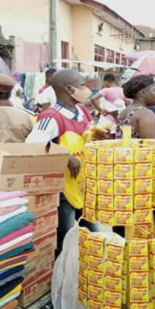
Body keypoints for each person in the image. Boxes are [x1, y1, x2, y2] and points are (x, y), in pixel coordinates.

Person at [26, 69, 100, 256]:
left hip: (83, 184)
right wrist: (65, 156)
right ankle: (61, 278)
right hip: (63, 189)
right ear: (69, 89)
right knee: (65, 239)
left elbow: (88, 133)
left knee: (93, 236)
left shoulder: (82, 111)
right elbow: (32, 146)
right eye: (82, 85)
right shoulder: (51, 117)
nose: (87, 89)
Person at [117, 75, 155, 140]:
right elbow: (149, 146)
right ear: (143, 93)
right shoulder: (145, 114)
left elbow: (127, 140)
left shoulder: (125, 111)